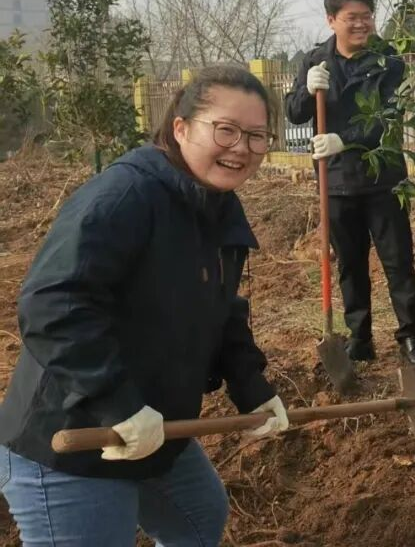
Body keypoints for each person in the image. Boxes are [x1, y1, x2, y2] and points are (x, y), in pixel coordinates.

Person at [0, 65, 290, 546]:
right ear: (180, 127)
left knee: (197, 517)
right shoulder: (125, 197)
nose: (242, 147)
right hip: (76, 439)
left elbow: (220, 306)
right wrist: (119, 404)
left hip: (155, 431)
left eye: (257, 136)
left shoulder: (217, 205)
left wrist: (251, 387)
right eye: (226, 130)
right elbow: (52, 304)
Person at [286, 0, 415, 366]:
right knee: (350, 264)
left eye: (367, 16)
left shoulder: (389, 61)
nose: (362, 24)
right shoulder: (315, 60)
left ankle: (410, 339)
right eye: (352, 17)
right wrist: (305, 89)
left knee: (398, 261)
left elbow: (388, 118)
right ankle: (360, 339)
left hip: (383, 178)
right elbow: (295, 112)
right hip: (335, 182)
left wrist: (343, 139)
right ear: (331, 19)